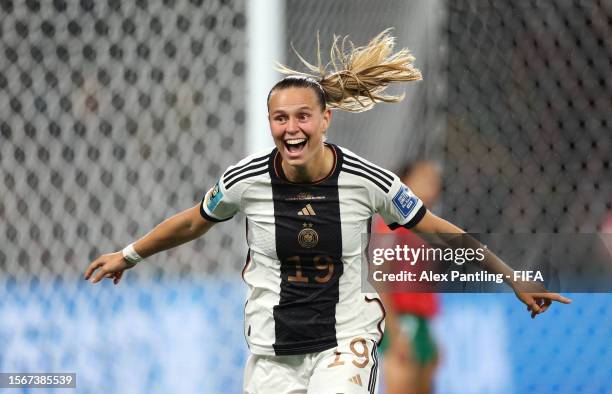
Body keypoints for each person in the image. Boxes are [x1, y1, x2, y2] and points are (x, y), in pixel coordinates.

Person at [84, 30, 571, 394]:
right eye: (280, 118)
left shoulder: (369, 180)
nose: (291, 128)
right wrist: (128, 255)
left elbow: (443, 233)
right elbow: (193, 220)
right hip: (272, 347)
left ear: (324, 120)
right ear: (270, 123)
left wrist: (512, 277)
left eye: (302, 117)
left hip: (346, 337)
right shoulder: (244, 179)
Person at [374, 161, 442, 394]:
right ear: (405, 184)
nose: (432, 187)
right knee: (402, 384)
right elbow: (379, 280)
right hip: (400, 320)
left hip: (419, 322)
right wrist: (394, 331)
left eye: (435, 181)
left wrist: (429, 336)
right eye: (424, 179)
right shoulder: (391, 226)